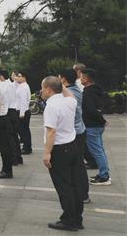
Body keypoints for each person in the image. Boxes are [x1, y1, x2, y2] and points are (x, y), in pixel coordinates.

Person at [41, 76, 83, 231]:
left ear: (48, 89)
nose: (41, 91)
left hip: (59, 149)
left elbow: (51, 131)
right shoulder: (69, 101)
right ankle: (77, 219)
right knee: (74, 184)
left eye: (42, 88)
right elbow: (70, 95)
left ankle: (69, 220)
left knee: (64, 186)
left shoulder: (51, 106)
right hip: (72, 145)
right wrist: (60, 84)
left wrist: (47, 153)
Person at [59, 69, 90, 203]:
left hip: (75, 133)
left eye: (59, 77)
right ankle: (81, 193)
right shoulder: (75, 89)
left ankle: (82, 194)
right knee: (78, 164)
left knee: (76, 166)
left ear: (63, 79)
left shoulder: (70, 93)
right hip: (79, 131)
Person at [81, 68, 111, 186]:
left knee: (97, 152)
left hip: (91, 125)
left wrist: (102, 120)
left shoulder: (89, 92)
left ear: (86, 79)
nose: (80, 79)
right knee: (100, 151)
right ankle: (104, 173)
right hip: (96, 125)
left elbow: (91, 109)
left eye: (82, 77)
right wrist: (102, 120)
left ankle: (104, 176)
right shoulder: (96, 89)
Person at [73, 63, 97, 169]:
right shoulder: (81, 82)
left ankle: (91, 161)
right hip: (83, 113)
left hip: (81, 113)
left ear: (78, 71)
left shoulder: (79, 82)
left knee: (84, 140)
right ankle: (91, 160)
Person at [3, 70, 22, 165]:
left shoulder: (6, 86)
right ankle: (19, 158)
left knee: (10, 137)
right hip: (15, 111)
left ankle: (14, 159)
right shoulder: (14, 85)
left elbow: (5, 102)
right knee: (15, 136)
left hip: (9, 112)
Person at [14, 71, 32, 155]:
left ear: (24, 77)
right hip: (21, 110)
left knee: (24, 131)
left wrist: (22, 113)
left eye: (19, 76)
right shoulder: (21, 85)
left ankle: (27, 148)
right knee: (23, 130)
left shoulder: (24, 87)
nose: (18, 77)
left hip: (23, 111)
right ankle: (26, 146)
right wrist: (14, 78)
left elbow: (23, 101)